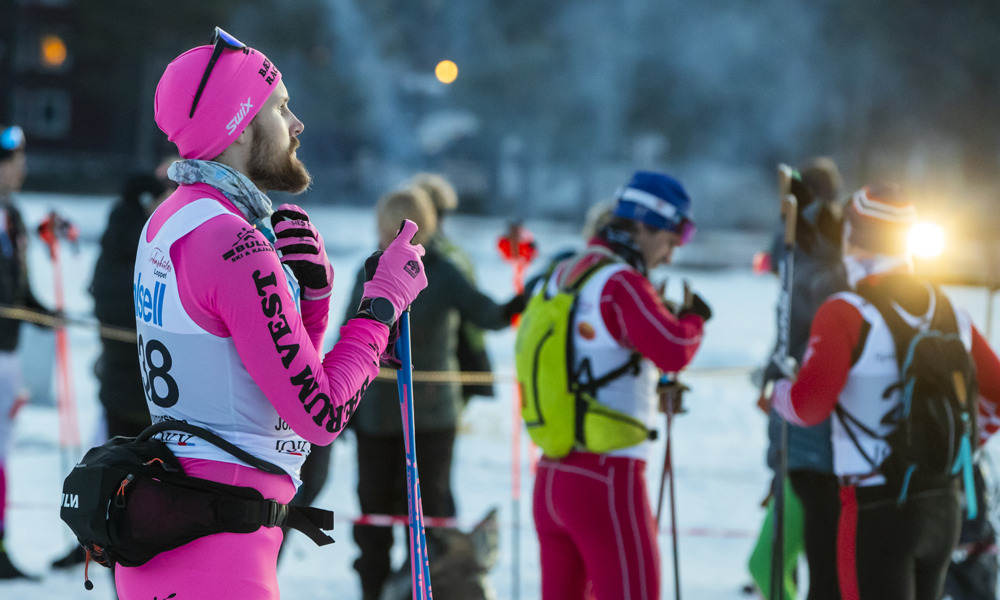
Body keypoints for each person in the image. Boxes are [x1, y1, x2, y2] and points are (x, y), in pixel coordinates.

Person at [115, 27, 428, 600]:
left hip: (178, 523)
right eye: (281, 107)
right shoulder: (237, 243)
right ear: (238, 124)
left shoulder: (172, 217)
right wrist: (381, 306)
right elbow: (322, 415)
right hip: (219, 551)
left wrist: (310, 300)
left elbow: (267, 398)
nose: (297, 124)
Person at [771, 184, 1000, 599]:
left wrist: (778, 390)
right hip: (943, 502)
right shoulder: (952, 312)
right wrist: (960, 441)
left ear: (850, 237)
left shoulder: (845, 311)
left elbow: (810, 407)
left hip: (877, 506)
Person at [526, 170, 711, 599]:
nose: (669, 256)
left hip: (552, 473)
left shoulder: (564, 273)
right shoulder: (620, 282)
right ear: (647, 225)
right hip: (607, 478)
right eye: (672, 240)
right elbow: (673, 347)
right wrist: (695, 316)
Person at [345, 186, 524, 600]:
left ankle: (425, 590)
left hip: (426, 417)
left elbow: (489, 315)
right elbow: (350, 337)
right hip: (379, 413)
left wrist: (523, 297)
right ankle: (375, 593)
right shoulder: (373, 269)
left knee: (423, 516)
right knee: (378, 516)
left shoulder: (440, 271)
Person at [749, 157, 847, 600]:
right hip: (796, 444)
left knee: (812, 572)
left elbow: (821, 341)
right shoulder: (796, 255)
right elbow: (791, 337)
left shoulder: (830, 260)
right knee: (769, 566)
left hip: (821, 449)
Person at [0, 123, 53, 580]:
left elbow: (19, 289)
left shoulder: (12, 215)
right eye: (15, 162)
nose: (23, 169)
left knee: (1, 450)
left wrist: (44, 312)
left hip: (8, 352)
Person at [410, 172, 496, 402]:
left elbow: (473, 307)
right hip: (449, 353)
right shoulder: (453, 254)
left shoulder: (450, 255)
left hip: (451, 352)